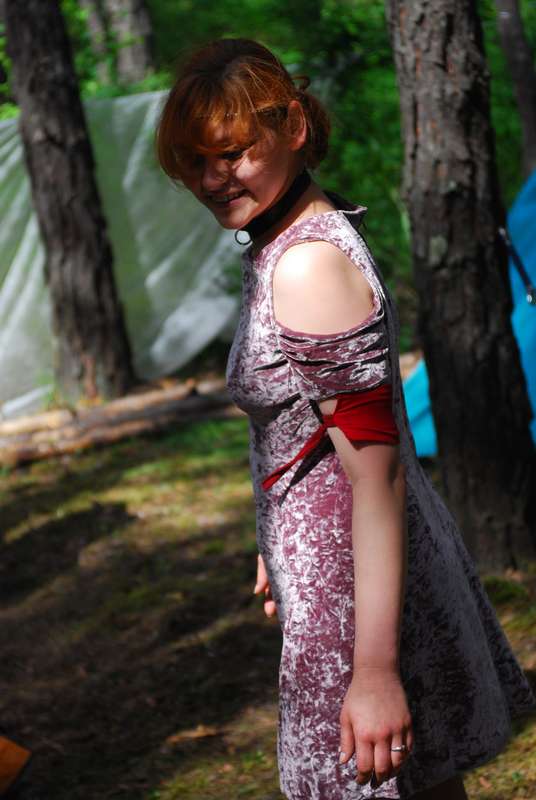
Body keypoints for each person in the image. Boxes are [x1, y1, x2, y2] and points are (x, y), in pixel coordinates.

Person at [156, 38, 536, 799]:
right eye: (195, 161)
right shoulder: (281, 242)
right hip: (336, 574)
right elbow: (308, 431)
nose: (211, 178)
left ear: (293, 127)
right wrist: (276, 529)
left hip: (356, 598)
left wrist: (374, 673)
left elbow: (377, 475)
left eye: (231, 153)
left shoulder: (308, 264)